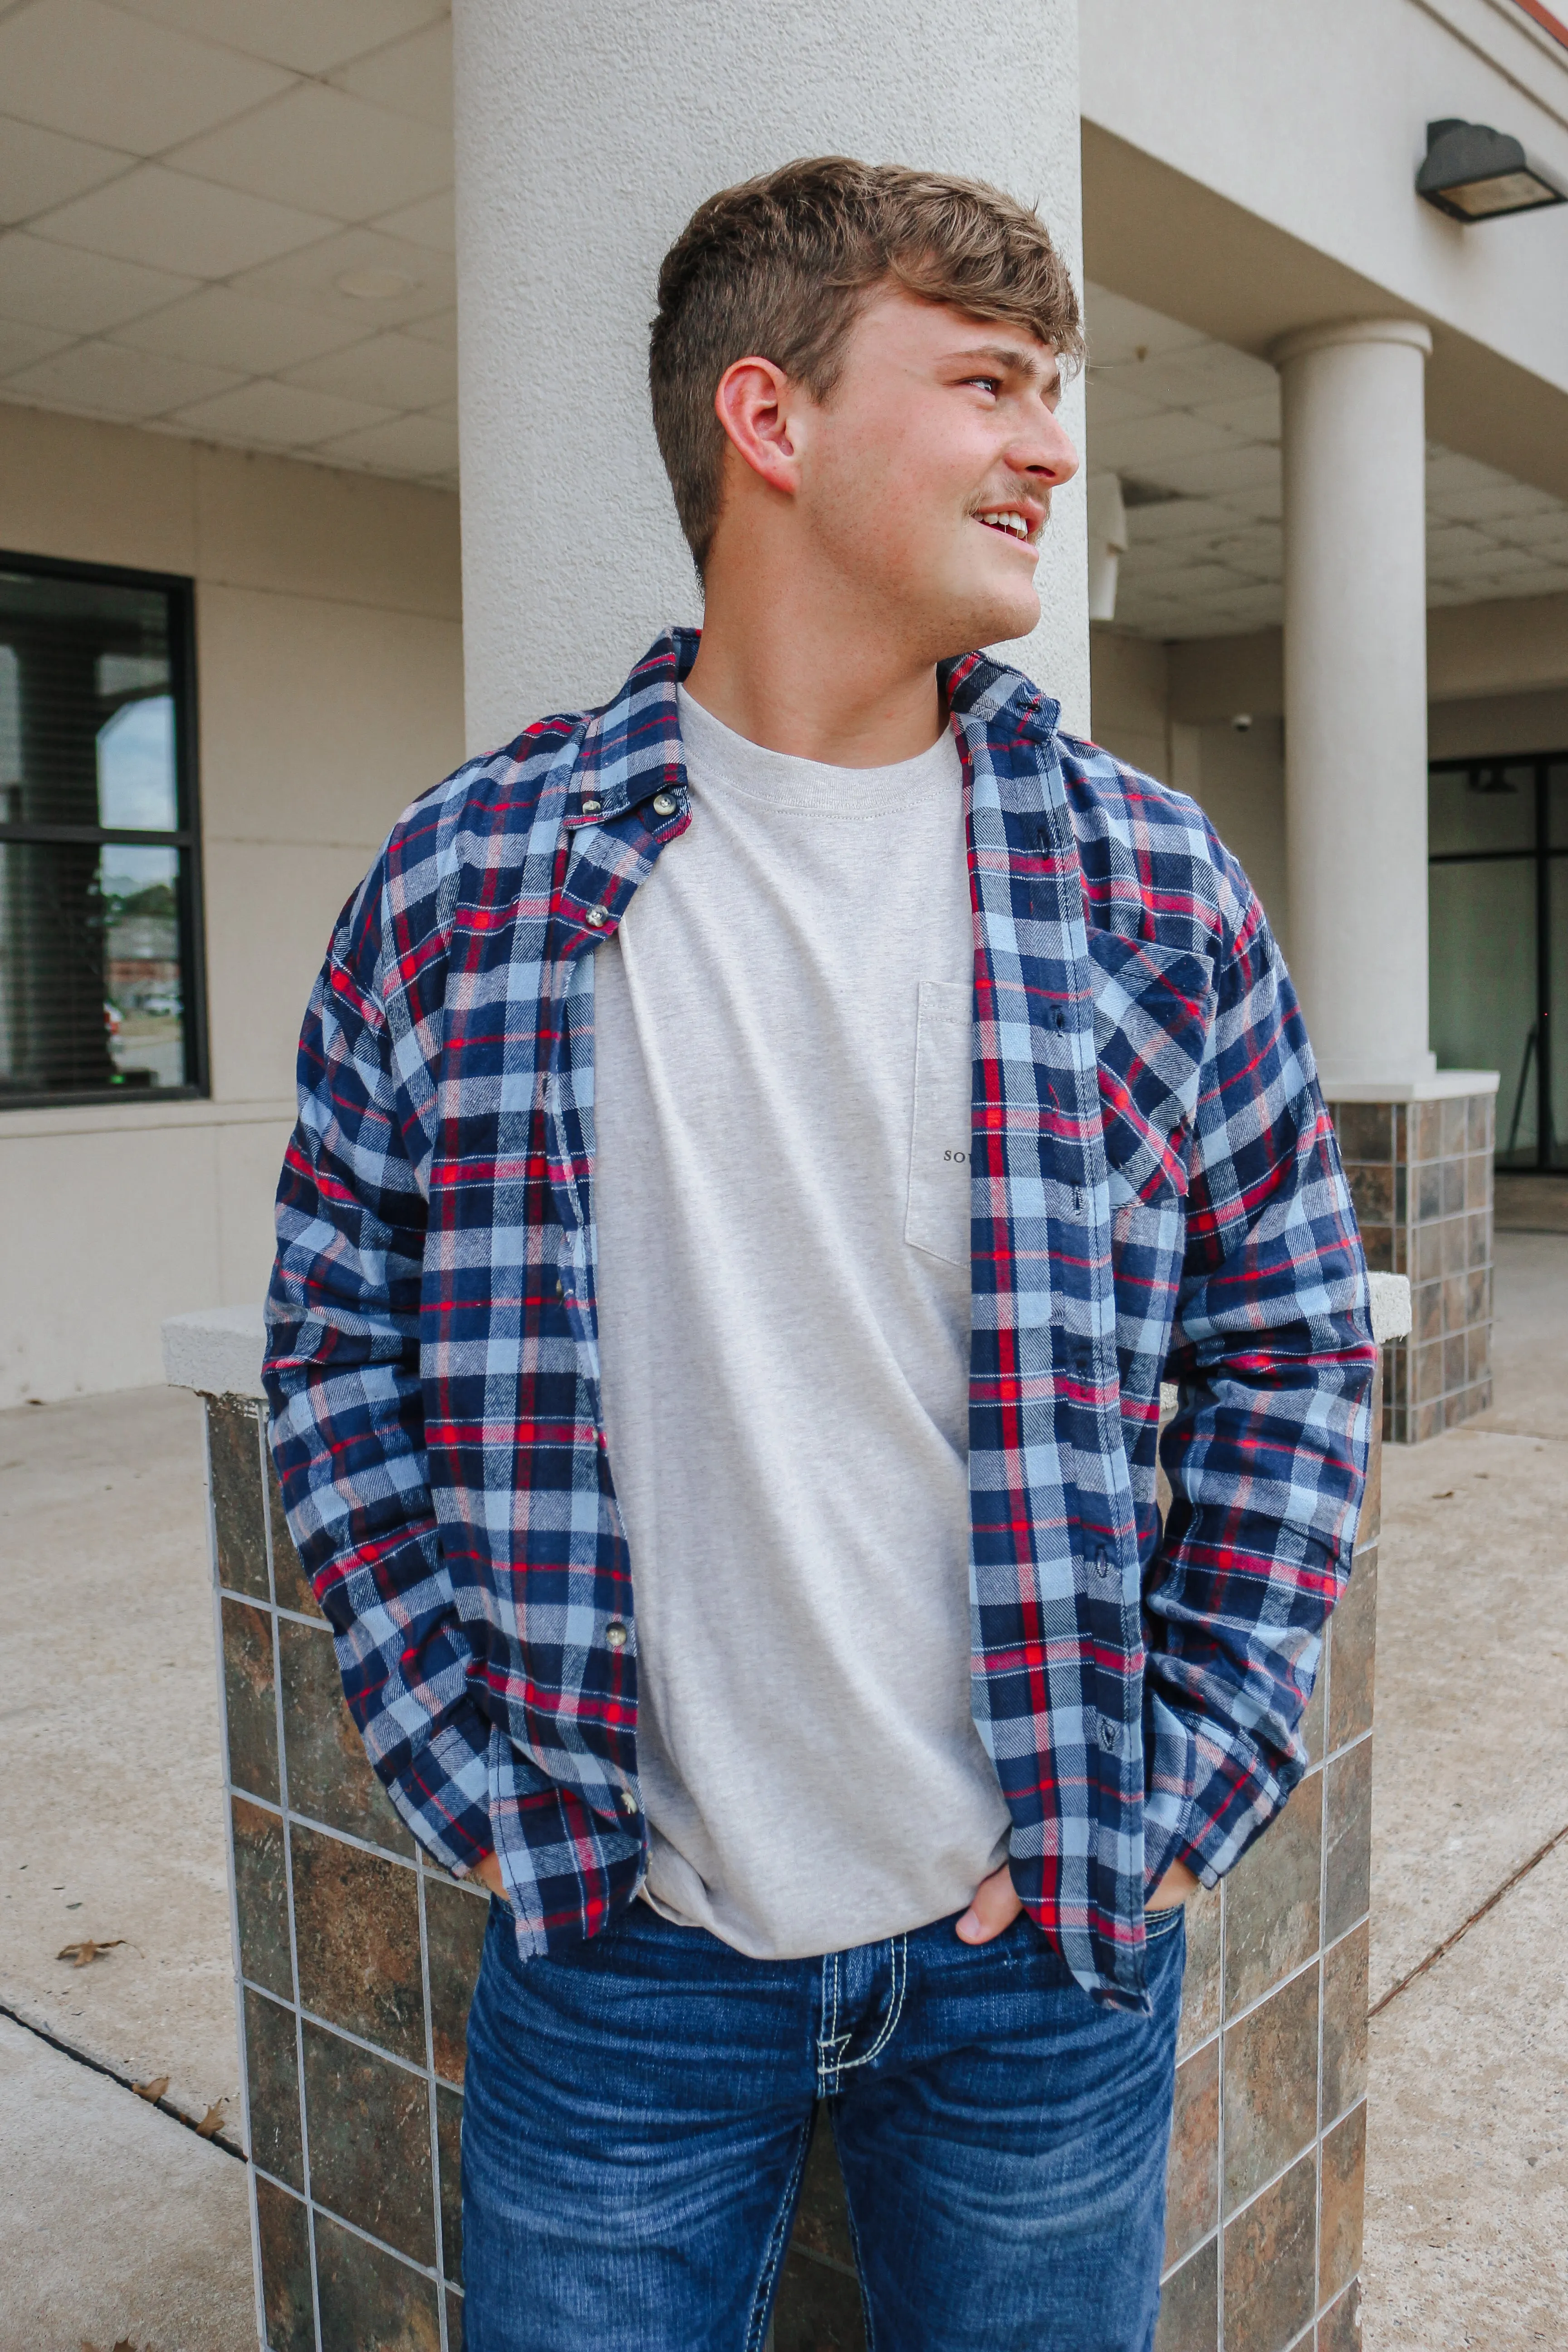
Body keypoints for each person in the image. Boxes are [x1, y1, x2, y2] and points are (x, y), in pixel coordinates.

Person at [264, 157, 1373, 2352]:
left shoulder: (1149, 888)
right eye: (987, 382)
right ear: (770, 423)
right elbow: (336, 1350)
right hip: (624, 1963)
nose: (1052, 443)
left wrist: (1180, 1797)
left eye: (1050, 390)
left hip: (1044, 1955)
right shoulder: (471, 881)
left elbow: (1295, 1351)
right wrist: (482, 1795)